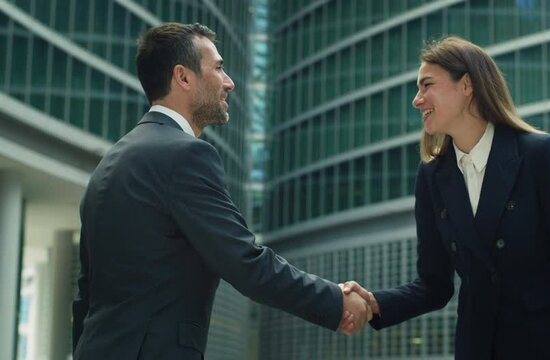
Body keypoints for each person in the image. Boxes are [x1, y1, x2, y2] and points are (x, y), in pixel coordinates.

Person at [72, 22, 369, 360]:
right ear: (183, 77)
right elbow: (245, 262)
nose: (230, 83)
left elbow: (86, 295)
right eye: (218, 68)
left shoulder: (110, 163)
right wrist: (334, 300)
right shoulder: (184, 155)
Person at [343, 36, 550, 360]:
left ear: (466, 85)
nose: (417, 100)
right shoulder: (432, 176)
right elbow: (434, 286)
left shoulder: (539, 156)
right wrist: (374, 303)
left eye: (426, 86)